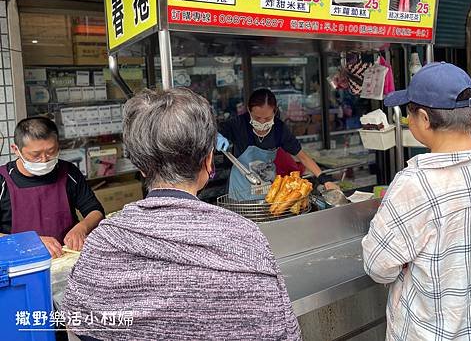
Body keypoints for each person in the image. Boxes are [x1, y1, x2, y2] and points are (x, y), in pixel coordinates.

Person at [63, 88, 300, 340]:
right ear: (209, 162)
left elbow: (81, 325)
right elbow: (284, 331)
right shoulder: (245, 237)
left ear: (142, 167)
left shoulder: (102, 241)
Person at [362, 62, 471, 340]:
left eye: (409, 113)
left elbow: (378, 265)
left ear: (425, 119)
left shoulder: (416, 184)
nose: (408, 120)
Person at [0, 117, 104, 258]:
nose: (44, 160)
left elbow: (95, 210)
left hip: (64, 256)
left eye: (51, 151)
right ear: (16, 150)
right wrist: (28, 242)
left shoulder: (68, 172)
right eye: (35, 155)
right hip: (18, 263)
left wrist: (81, 228)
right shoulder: (2, 180)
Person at [217, 88, 336, 201]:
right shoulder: (238, 124)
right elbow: (209, 132)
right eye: (257, 118)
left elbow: (303, 157)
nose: (262, 122)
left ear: (275, 111)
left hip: (266, 192)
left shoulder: (280, 129)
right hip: (239, 191)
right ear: (249, 110)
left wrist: (324, 180)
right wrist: (216, 137)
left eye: (267, 118)